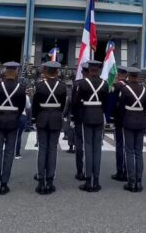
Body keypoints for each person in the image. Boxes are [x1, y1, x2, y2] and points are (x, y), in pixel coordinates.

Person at [0, 62, 26, 195]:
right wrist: (14, 115)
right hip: (13, 121)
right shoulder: (21, 88)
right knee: (9, 153)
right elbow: (21, 107)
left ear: (5, 72)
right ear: (15, 72)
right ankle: (4, 183)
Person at [32, 61, 67, 194]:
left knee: (43, 148)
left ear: (46, 72)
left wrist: (34, 119)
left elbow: (35, 105)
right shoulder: (62, 87)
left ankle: (41, 180)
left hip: (42, 117)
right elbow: (62, 105)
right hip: (56, 118)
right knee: (53, 149)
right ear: (57, 72)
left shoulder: (40, 86)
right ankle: (50, 180)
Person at [74, 60, 108, 192]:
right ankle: (96, 180)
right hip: (99, 117)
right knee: (97, 149)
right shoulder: (104, 84)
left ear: (89, 69)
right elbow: (105, 104)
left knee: (88, 148)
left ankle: (88, 180)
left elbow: (76, 102)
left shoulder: (82, 84)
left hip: (86, 117)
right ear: (98, 70)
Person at [117, 67, 146, 192]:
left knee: (129, 151)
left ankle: (131, 181)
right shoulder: (145, 91)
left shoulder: (125, 90)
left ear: (129, 76)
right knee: (138, 152)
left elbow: (120, 107)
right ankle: (139, 181)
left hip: (128, 121)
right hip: (141, 122)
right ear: (138, 76)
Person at [70, 63, 88, 180]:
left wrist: (72, 117)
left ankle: (80, 171)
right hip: (94, 119)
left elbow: (74, 103)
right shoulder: (101, 83)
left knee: (80, 146)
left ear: (82, 73)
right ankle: (89, 171)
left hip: (80, 119)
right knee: (90, 147)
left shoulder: (77, 84)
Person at [109, 66, 128, 182]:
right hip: (130, 119)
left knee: (120, 146)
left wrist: (110, 117)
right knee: (128, 147)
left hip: (119, 120)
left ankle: (121, 171)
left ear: (119, 74)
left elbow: (112, 103)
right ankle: (127, 169)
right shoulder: (130, 86)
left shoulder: (116, 87)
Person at [14, 89, 31, 159]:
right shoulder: (25, 96)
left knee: (11, 134)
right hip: (22, 115)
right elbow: (28, 106)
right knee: (19, 135)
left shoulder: (12, 94)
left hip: (13, 115)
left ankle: (9, 151)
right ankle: (17, 153)